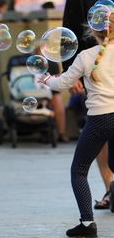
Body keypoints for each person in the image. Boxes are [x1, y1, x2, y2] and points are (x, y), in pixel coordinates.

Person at [38, 15, 114, 237]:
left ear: (93, 32)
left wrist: (45, 80)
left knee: (79, 171)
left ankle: (88, 223)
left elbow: (62, 83)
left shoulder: (86, 56)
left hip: (99, 119)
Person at [62, 0, 114, 210]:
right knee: (100, 128)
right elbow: (67, 33)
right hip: (91, 72)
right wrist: (71, 75)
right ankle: (109, 188)